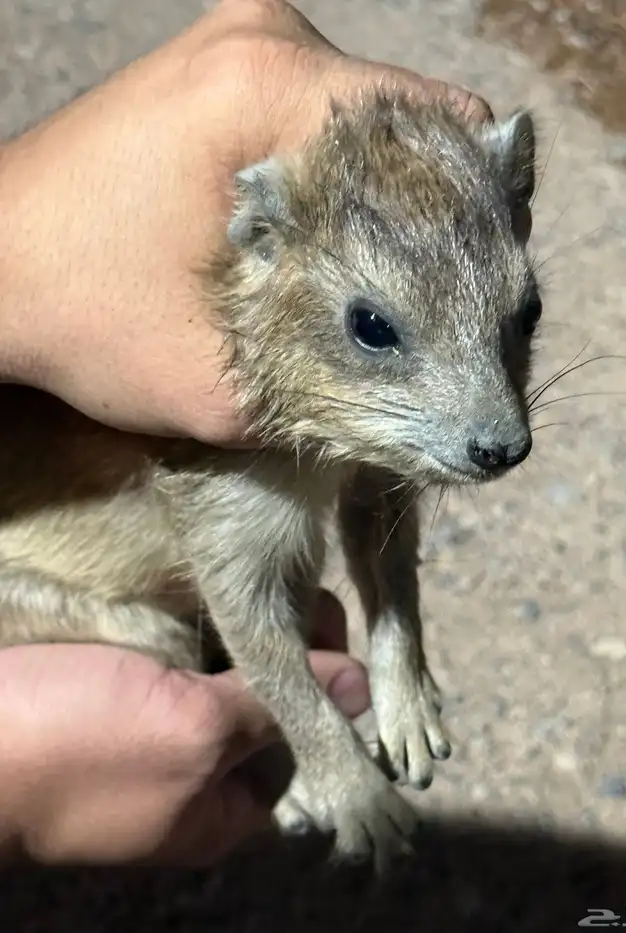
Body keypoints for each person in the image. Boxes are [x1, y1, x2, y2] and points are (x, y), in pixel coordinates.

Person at [0, 0, 492, 867]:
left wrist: (398, 647)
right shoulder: (214, 408)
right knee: (201, 631)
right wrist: (325, 753)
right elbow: (247, 602)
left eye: (515, 321)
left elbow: (381, 499)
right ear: (262, 235)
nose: (503, 421)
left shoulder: (345, 390)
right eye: (374, 331)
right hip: (53, 581)